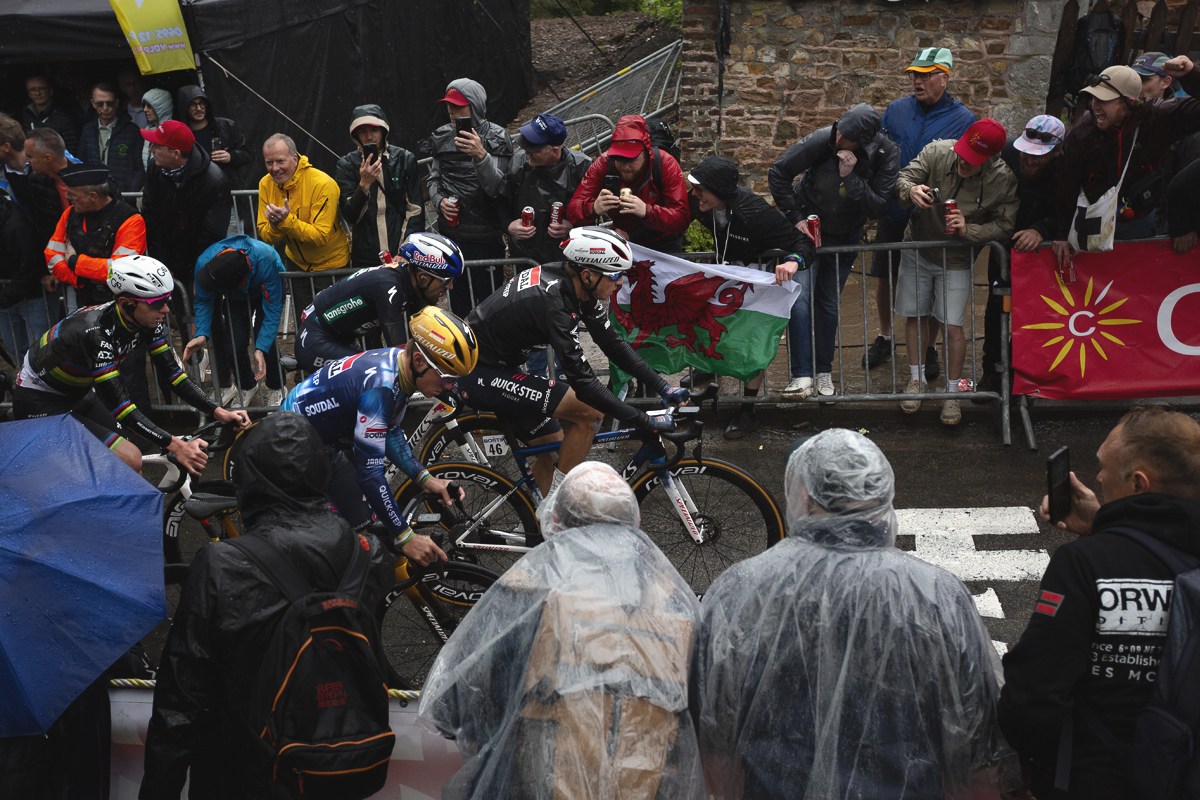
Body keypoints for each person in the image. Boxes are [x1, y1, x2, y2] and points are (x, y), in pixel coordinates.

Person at [692, 428, 1019, 799]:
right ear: (882, 494)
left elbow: (712, 738)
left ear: (804, 496)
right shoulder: (937, 596)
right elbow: (976, 740)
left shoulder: (739, 592)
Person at [139, 411, 395, 800]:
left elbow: (181, 700)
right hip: (341, 762)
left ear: (249, 480)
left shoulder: (222, 564)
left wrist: (159, 790)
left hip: (241, 773)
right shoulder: (370, 554)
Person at [418, 461, 707, 800]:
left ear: (555, 521)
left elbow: (452, 708)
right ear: (635, 521)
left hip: (533, 787)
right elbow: (704, 721)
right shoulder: (676, 603)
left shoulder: (527, 596)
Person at [999, 406, 1200, 800]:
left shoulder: (1085, 564)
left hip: (1096, 779)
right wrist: (1105, 522)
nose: (1099, 479)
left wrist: (1023, 766)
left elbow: (1034, 696)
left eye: (1105, 468)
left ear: (1140, 483)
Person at [461, 226, 685, 497]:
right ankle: (559, 507)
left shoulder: (574, 285)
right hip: (477, 371)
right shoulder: (555, 305)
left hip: (499, 364)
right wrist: (642, 420)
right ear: (588, 275)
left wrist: (664, 387)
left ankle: (540, 515)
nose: (620, 282)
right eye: (615, 275)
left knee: (555, 449)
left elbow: (613, 345)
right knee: (590, 414)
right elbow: (584, 383)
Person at [13, 255, 249, 474]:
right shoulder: (94, 333)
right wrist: (176, 445)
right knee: (130, 458)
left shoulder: (147, 320)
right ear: (127, 303)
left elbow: (173, 375)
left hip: (78, 394)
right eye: (157, 302)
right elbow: (121, 406)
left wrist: (217, 411)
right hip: (40, 401)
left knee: (128, 468)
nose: (166, 309)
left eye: (166, 300)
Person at [282, 306, 476, 565]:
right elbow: (370, 475)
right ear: (419, 361)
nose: (451, 386)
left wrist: (425, 478)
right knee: (335, 551)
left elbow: (390, 430)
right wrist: (406, 537)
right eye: (447, 376)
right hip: (295, 448)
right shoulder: (381, 390)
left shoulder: (400, 364)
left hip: (323, 443)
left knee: (365, 525)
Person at [768, 103, 901, 400]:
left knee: (827, 304)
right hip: (806, 231)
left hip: (844, 234)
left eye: (845, 137)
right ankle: (801, 375)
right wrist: (796, 217)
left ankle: (823, 372)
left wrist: (850, 177)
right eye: (838, 131)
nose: (838, 139)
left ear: (863, 141)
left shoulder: (886, 153)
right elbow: (778, 172)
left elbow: (880, 207)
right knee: (799, 300)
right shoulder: (824, 137)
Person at [893, 118, 1017, 425]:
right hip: (918, 246)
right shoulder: (937, 151)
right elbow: (903, 178)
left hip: (958, 259)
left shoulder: (1002, 178)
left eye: (973, 161)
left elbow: (1005, 224)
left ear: (991, 159)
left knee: (952, 327)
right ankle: (917, 380)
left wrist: (969, 230)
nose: (964, 163)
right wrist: (911, 191)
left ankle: (951, 394)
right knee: (916, 315)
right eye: (963, 154)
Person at [685, 154, 813, 438]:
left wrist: (793, 261)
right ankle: (709, 371)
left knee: (749, 343)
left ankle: (748, 408)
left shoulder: (755, 212)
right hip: (724, 275)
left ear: (719, 190)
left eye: (700, 189)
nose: (693, 194)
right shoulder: (699, 202)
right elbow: (672, 219)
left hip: (754, 283)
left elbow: (802, 241)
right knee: (707, 327)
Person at [866, 47, 976, 376]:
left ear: (945, 77)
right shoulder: (896, 110)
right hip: (895, 208)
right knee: (885, 275)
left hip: (932, 215)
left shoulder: (964, 119)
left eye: (926, 75)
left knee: (932, 283)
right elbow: (878, 153)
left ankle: (929, 347)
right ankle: (885, 336)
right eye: (915, 74)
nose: (918, 80)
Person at [1053, 58, 1200, 269]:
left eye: (1104, 100)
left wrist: (1191, 73)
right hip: (1092, 218)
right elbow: (1065, 183)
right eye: (1093, 97)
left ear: (1130, 102)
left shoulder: (1160, 116)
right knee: (1092, 280)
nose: (1095, 105)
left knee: (1136, 279)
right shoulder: (1082, 131)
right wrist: (1062, 232)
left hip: (1138, 220)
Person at [294, 231, 463, 373]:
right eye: (447, 281)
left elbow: (426, 331)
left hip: (340, 339)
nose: (451, 287)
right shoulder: (390, 287)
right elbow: (399, 352)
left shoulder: (410, 285)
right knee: (379, 372)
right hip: (316, 340)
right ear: (423, 277)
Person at [979, 115, 1064, 395]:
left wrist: (1042, 230)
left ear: (1056, 152)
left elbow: (1070, 210)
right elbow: (988, 195)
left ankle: (1023, 374)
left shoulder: (1066, 169)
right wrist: (999, 234)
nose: (1029, 160)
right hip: (1005, 245)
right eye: (1026, 153)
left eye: (1038, 156)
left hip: (1043, 251)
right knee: (996, 308)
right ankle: (991, 370)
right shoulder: (1008, 153)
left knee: (1034, 312)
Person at [420, 79, 513, 317]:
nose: (451, 111)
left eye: (458, 106)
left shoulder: (497, 136)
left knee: (491, 309)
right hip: (451, 238)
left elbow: (498, 188)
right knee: (459, 307)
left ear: (475, 106)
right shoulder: (442, 135)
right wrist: (439, 201)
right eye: (449, 105)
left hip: (486, 237)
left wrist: (481, 156)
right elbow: (434, 179)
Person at [182, 237, 287, 407]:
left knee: (264, 340)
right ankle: (247, 386)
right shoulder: (204, 263)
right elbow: (203, 300)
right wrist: (201, 333)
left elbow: (273, 309)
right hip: (236, 294)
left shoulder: (266, 259)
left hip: (267, 282)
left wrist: (261, 348)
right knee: (234, 344)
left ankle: (277, 387)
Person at [566, 113, 691, 253]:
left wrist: (647, 211)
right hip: (622, 239)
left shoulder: (665, 163)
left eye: (631, 159)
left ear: (646, 152)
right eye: (619, 158)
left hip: (662, 241)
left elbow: (682, 218)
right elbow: (573, 210)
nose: (625, 166)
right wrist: (593, 208)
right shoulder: (604, 162)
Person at [257, 133, 351, 312]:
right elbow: (267, 236)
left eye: (280, 161)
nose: (275, 168)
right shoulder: (265, 184)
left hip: (331, 267)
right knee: (305, 322)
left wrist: (285, 222)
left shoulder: (322, 183)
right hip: (297, 267)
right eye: (269, 163)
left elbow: (320, 236)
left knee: (335, 322)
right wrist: (275, 226)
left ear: (294, 159)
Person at [140, 120, 232, 296]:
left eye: (156, 146)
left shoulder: (214, 181)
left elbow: (212, 234)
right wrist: (162, 264)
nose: (151, 149)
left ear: (175, 153)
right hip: (167, 258)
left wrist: (200, 272)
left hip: (198, 259)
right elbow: (151, 217)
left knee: (203, 309)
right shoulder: (155, 168)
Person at [334, 104, 425, 270]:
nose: (369, 136)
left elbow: (415, 209)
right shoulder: (346, 164)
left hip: (401, 254)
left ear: (384, 130)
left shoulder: (404, 159)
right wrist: (364, 185)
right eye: (363, 131)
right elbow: (350, 216)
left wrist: (405, 250)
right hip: (366, 257)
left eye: (374, 129)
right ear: (355, 135)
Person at [44, 162, 145, 309]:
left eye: (73, 194)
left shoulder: (131, 220)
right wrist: (80, 279)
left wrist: (74, 262)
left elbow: (119, 271)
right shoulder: (70, 214)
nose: (67, 197)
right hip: (82, 300)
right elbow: (52, 258)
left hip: (118, 305)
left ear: (92, 196)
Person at [176, 85, 251, 234]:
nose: (198, 108)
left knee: (233, 245)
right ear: (185, 107)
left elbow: (246, 154)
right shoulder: (181, 135)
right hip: (198, 205)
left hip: (228, 202)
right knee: (206, 246)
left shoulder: (225, 126)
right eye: (193, 104)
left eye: (201, 103)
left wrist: (230, 156)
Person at [0, 191, 48, 364]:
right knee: (15, 348)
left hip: (33, 296)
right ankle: (24, 379)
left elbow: (29, 267)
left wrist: (3, 298)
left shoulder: (17, 226)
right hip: (7, 295)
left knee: (40, 353)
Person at [78, 82, 145, 192]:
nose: (105, 108)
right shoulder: (87, 130)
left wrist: (129, 196)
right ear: (93, 104)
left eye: (110, 103)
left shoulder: (132, 131)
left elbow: (140, 169)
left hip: (122, 195)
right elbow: (80, 164)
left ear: (117, 103)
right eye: (100, 104)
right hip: (94, 195)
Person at [19, 74, 81, 155]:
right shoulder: (25, 114)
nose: (37, 93)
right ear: (29, 94)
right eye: (33, 90)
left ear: (50, 91)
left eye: (42, 88)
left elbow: (72, 152)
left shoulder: (64, 118)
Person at [139, 88, 173, 172]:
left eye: (149, 106)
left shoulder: (172, 132)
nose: (145, 109)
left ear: (162, 108)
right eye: (144, 105)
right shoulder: (147, 130)